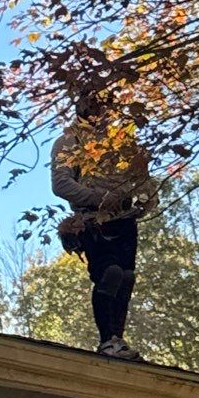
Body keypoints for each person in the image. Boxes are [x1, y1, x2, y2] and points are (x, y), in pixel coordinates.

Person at [51, 102, 159, 362]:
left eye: (102, 106)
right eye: (91, 105)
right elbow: (61, 183)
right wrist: (100, 199)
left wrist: (145, 202)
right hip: (92, 220)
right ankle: (107, 339)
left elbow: (144, 181)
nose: (97, 112)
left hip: (124, 219)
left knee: (126, 277)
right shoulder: (70, 141)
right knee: (109, 273)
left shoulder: (123, 143)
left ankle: (118, 340)